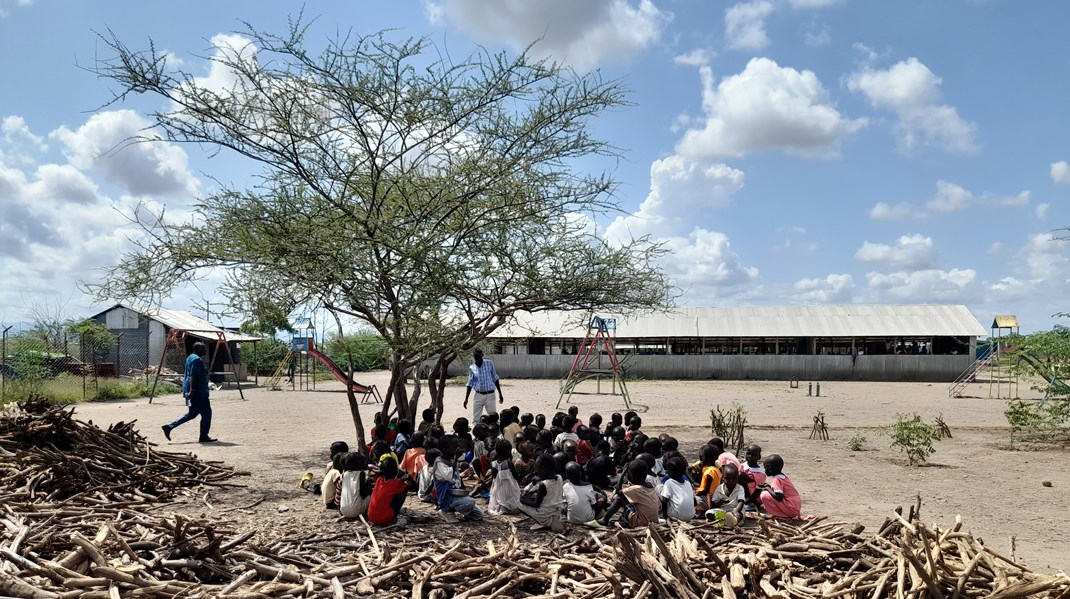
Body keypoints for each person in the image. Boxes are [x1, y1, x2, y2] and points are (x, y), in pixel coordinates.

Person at [162, 341, 216, 443]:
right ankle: (203, 436)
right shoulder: (196, 360)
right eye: (203, 349)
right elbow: (193, 376)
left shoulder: (190, 357)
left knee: (192, 413)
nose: (205, 351)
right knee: (206, 413)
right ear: (197, 349)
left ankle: (169, 427)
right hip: (198, 392)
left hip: (190, 391)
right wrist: (192, 391)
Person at [519, 454, 565, 533]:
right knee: (533, 496)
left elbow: (536, 504)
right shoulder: (559, 477)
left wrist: (522, 500)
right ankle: (552, 521)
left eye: (537, 468)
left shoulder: (543, 484)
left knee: (519, 504)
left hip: (544, 514)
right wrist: (538, 480)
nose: (536, 471)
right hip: (557, 511)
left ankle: (542, 522)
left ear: (543, 469)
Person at [756, 455, 802, 520]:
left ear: (770, 468)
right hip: (795, 507)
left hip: (791, 509)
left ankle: (782, 516)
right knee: (767, 492)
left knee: (764, 495)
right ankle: (783, 515)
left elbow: (778, 497)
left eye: (765, 467)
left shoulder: (777, 480)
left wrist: (767, 488)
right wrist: (768, 487)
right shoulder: (783, 477)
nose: (764, 470)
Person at [463, 349, 503, 423]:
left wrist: (500, 394)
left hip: (490, 395)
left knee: (493, 417)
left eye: (478, 357)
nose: (477, 359)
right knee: (476, 418)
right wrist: (466, 399)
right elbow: (470, 384)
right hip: (478, 395)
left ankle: (494, 433)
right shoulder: (472, 367)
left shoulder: (489, 363)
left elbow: (495, 378)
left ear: (482, 355)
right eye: (475, 357)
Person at [367, 456, 408, 526]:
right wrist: (409, 478)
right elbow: (413, 487)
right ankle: (393, 516)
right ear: (396, 470)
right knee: (404, 489)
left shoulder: (379, 480)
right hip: (384, 519)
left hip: (371, 516)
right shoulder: (396, 483)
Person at [488, 439, 521, 515]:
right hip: (511, 488)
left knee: (499, 499)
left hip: (499, 488)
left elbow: (494, 477)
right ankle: (509, 508)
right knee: (513, 498)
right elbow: (516, 476)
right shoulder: (509, 464)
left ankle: (501, 507)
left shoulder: (493, 464)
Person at [659, 456, 696, 522]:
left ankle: (667, 517)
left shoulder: (669, 483)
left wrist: (665, 515)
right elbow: (694, 501)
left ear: (670, 472)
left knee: (659, 488)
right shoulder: (688, 483)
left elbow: (664, 501)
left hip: (676, 516)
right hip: (691, 516)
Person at [339, 452, 374, 519]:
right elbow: (362, 493)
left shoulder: (345, 474)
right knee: (374, 494)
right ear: (359, 464)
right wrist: (370, 490)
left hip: (343, 510)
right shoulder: (361, 473)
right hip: (356, 511)